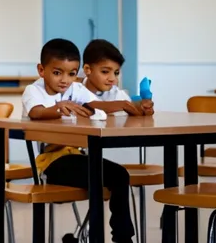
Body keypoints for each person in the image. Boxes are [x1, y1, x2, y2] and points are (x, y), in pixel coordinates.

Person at [22, 38, 136, 243]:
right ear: (41, 70)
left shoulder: (74, 89)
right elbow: (36, 112)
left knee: (119, 175)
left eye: (72, 73)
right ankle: (92, 237)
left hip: (77, 157)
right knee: (96, 176)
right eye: (57, 73)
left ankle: (122, 238)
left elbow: (97, 104)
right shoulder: (34, 91)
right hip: (51, 163)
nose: (65, 80)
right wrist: (57, 107)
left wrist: (127, 105)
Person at [82, 39, 154, 115]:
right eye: (105, 72)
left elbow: (136, 110)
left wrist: (144, 109)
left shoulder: (117, 95)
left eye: (116, 73)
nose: (113, 79)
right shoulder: (74, 90)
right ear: (87, 70)